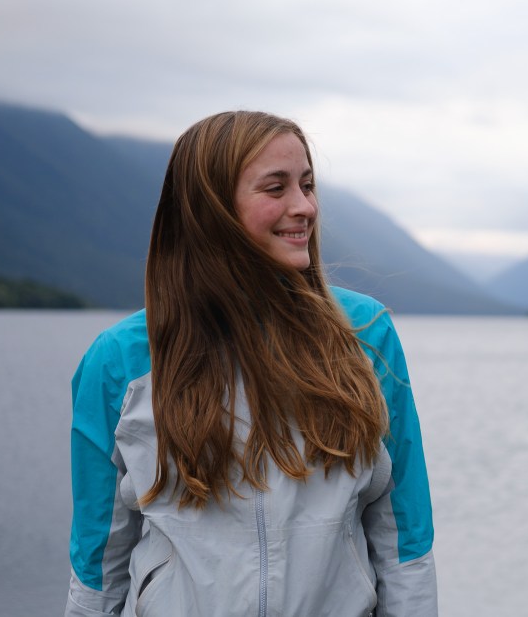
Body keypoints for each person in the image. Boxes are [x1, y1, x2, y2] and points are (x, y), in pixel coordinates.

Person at [65, 111, 437, 616]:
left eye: (307, 185)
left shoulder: (364, 336)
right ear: (211, 209)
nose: (304, 206)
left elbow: (403, 536)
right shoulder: (120, 362)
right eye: (276, 188)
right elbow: (98, 562)